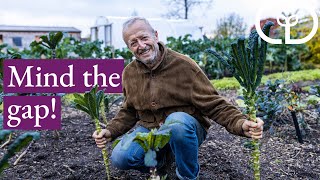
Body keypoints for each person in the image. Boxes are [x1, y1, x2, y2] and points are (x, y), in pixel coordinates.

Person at [92, 17, 264, 180]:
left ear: (156, 36)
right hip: (152, 130)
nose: (141, 45)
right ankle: (161, 163)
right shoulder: (129, 73)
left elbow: (214, 104)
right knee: (120, 157)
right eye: (133, 43)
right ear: (129, 47)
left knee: (177, 122)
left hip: (186, 128)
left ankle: (187, 176)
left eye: (144, 38)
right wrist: (111, 131)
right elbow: (129, 110)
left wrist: (240, 123)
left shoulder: (183, 66)